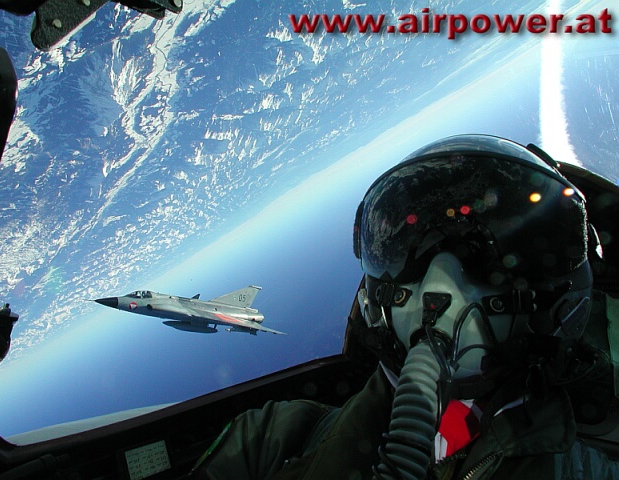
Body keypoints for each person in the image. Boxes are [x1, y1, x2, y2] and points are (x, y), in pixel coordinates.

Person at [191, 135, 619, 479]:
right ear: (375, 299)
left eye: (491, 257)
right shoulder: (269, 440)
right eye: (409, 253)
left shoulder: (592, 465)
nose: (439, 286)